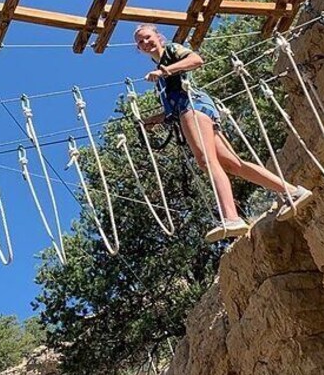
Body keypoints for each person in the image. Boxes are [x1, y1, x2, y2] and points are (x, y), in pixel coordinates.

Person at [133, 23, 312, 242]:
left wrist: (165, 70)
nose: (145, 43)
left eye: (147, 37)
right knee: (231, 163)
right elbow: (173, 105)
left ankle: (231, 218)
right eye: (140, 42)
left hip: (193, 107)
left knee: (206, 160)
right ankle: (292, 192)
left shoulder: (171, 52)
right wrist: (151, 120)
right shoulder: (159, 77)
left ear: (158, 37)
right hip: (190, 109)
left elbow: (196, 60)